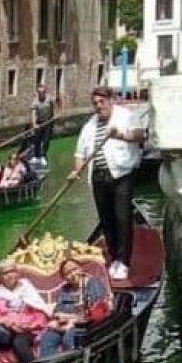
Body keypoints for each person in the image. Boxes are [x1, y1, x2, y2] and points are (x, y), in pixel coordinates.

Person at [69, 86, 147, 281]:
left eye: (101, 102)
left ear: (111, 99)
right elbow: (80, 154)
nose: (98, 106)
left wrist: (119, 135)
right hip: (98, 177)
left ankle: (124, 262)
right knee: (106, 220)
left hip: (122, 174)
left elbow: (140, 135)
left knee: (122, 218)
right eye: (95, 103)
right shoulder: (89, 126)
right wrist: (76, 170)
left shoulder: (127, 116)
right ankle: (114, 258)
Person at [0, 259, 51, 363]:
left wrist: (25, 325)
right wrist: (9, 323)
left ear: (17, 273)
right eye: (5, 273)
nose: (9, 276)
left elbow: (40, 313)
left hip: (26, 330)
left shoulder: (27, 289)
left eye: (12, 271)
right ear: (1, 277)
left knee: (19, 343)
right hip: (4, 333)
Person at [37, 260, 113, 358]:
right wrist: (61, 319)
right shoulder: (65, 289)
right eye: (68, 273)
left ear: (80, 269)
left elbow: (95, 310)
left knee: (69, 337)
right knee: (48, 338)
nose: (73, 274)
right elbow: (57, 310)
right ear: (64, 278)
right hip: (64, 324)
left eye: (74, 269)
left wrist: (71, 320)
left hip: (85, 324)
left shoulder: (92, 283)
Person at [30, 84, 56, 162]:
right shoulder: (35, 102)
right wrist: (34, 124)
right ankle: (36, 156)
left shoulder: (49, 98)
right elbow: (33, 113)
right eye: (40, 92)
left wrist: (55, 114)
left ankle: (43, 155)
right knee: (37, 139)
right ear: (37, 93)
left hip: (48, 121)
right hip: (39, 121)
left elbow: (54, 105)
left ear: (45, 92)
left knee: (46, 139)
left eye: (43, 92)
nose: (42, 93)